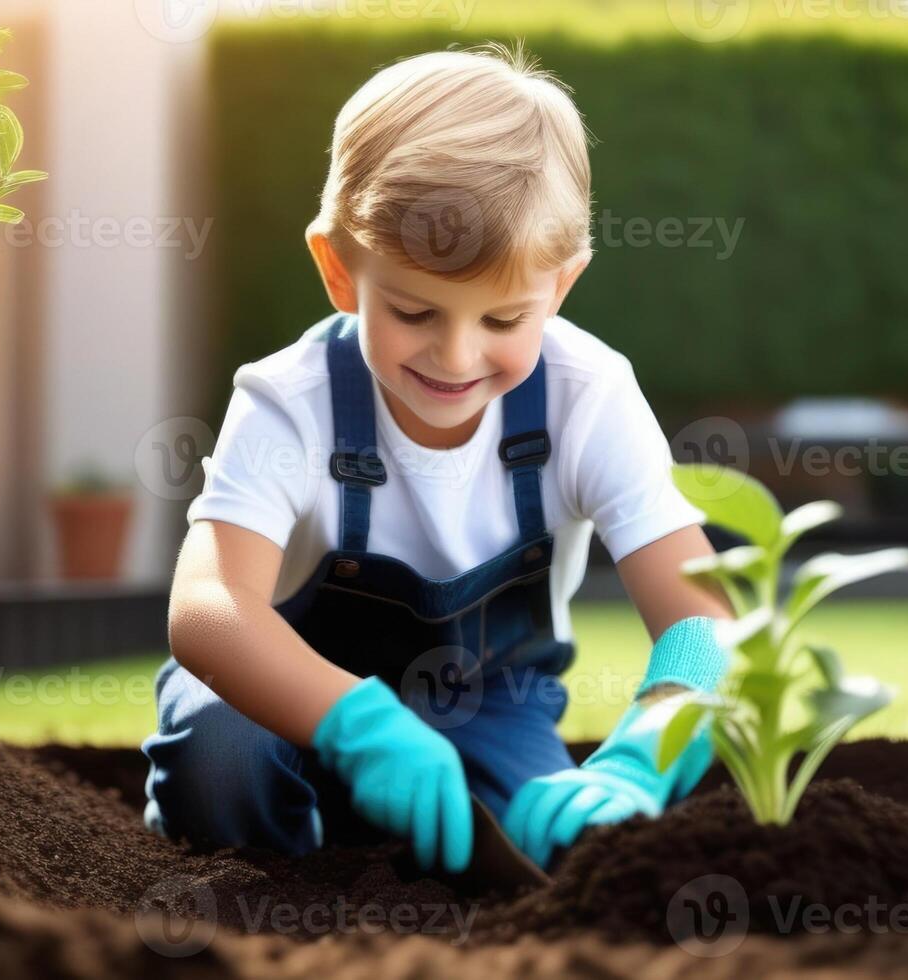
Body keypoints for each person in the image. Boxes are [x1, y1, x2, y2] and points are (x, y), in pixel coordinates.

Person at [142, 40, 734, 876]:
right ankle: (284, 879)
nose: (456, 357)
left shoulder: (588, 395)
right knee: (221, 757)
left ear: (560, 287)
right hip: (280, 695)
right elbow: (207, 606)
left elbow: (705, 619)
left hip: (486, 704)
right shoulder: (291, 400)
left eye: (501, 321)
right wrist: (356, 721)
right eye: (416, 311)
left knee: (560, 846)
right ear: (340, 270)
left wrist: (642, 757)